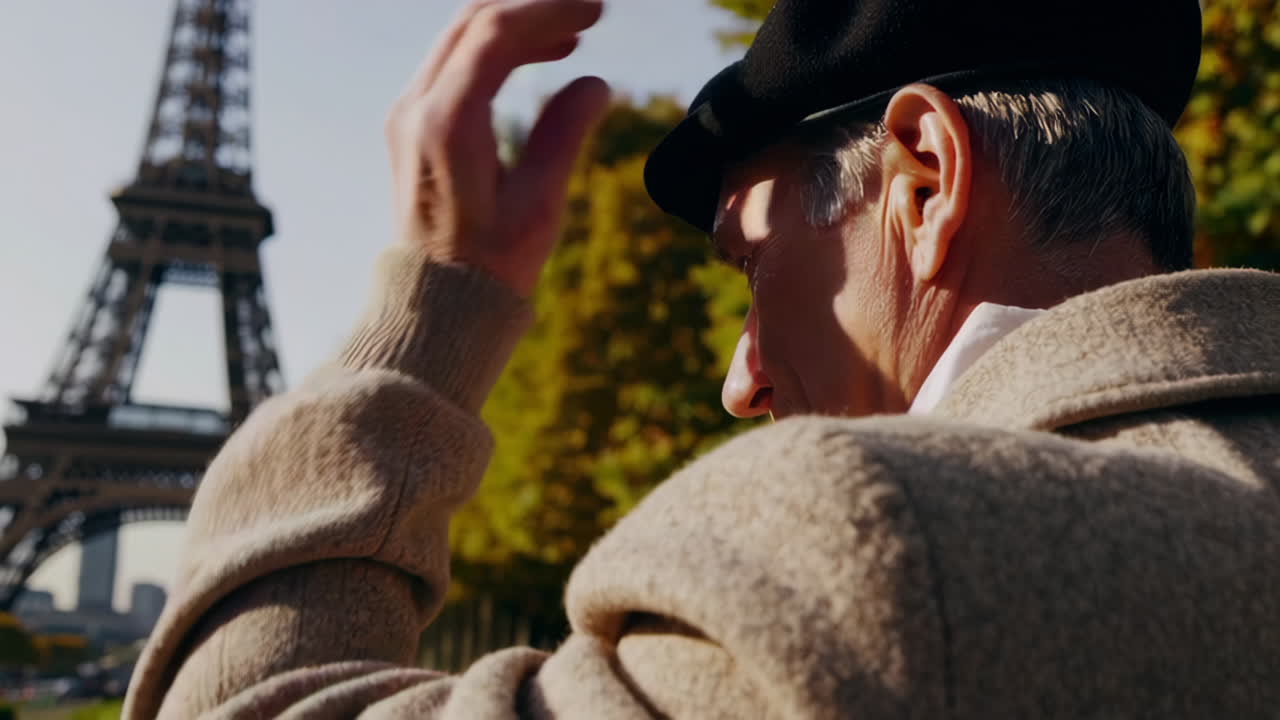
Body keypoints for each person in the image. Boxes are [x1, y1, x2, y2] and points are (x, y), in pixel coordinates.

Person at [124, 0, 1280, 717]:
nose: (740, 381)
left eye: (749, 262)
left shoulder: (872, 553)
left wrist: (430, 311)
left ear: (923, 182)